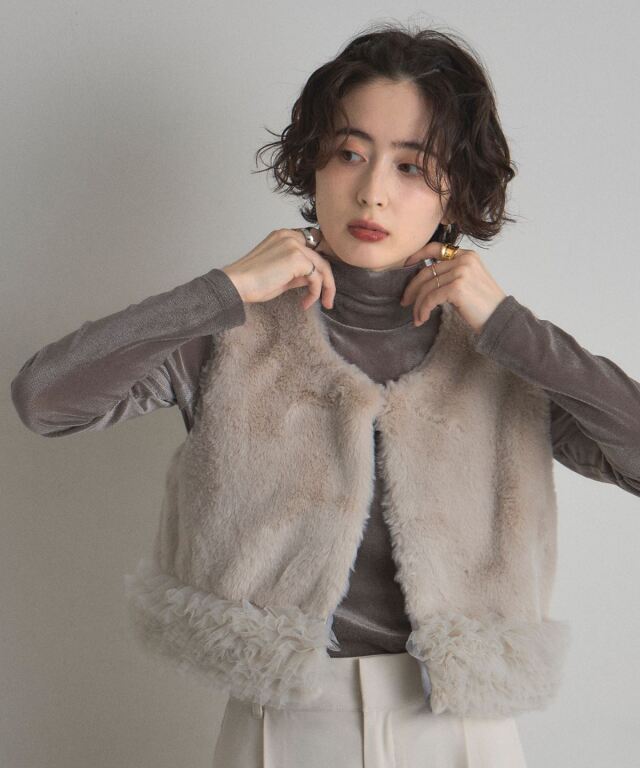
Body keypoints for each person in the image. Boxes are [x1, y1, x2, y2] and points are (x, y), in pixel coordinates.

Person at [10, 22, 640, 768]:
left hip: (463, 733)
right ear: (312, 162)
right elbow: (45, 399)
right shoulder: (233, 333)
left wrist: (511, 327)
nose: (372, 191)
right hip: (280, 728)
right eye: (349, 153)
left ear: (458, 189)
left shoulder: (503, 353)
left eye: (413, 166)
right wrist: (225, 289)